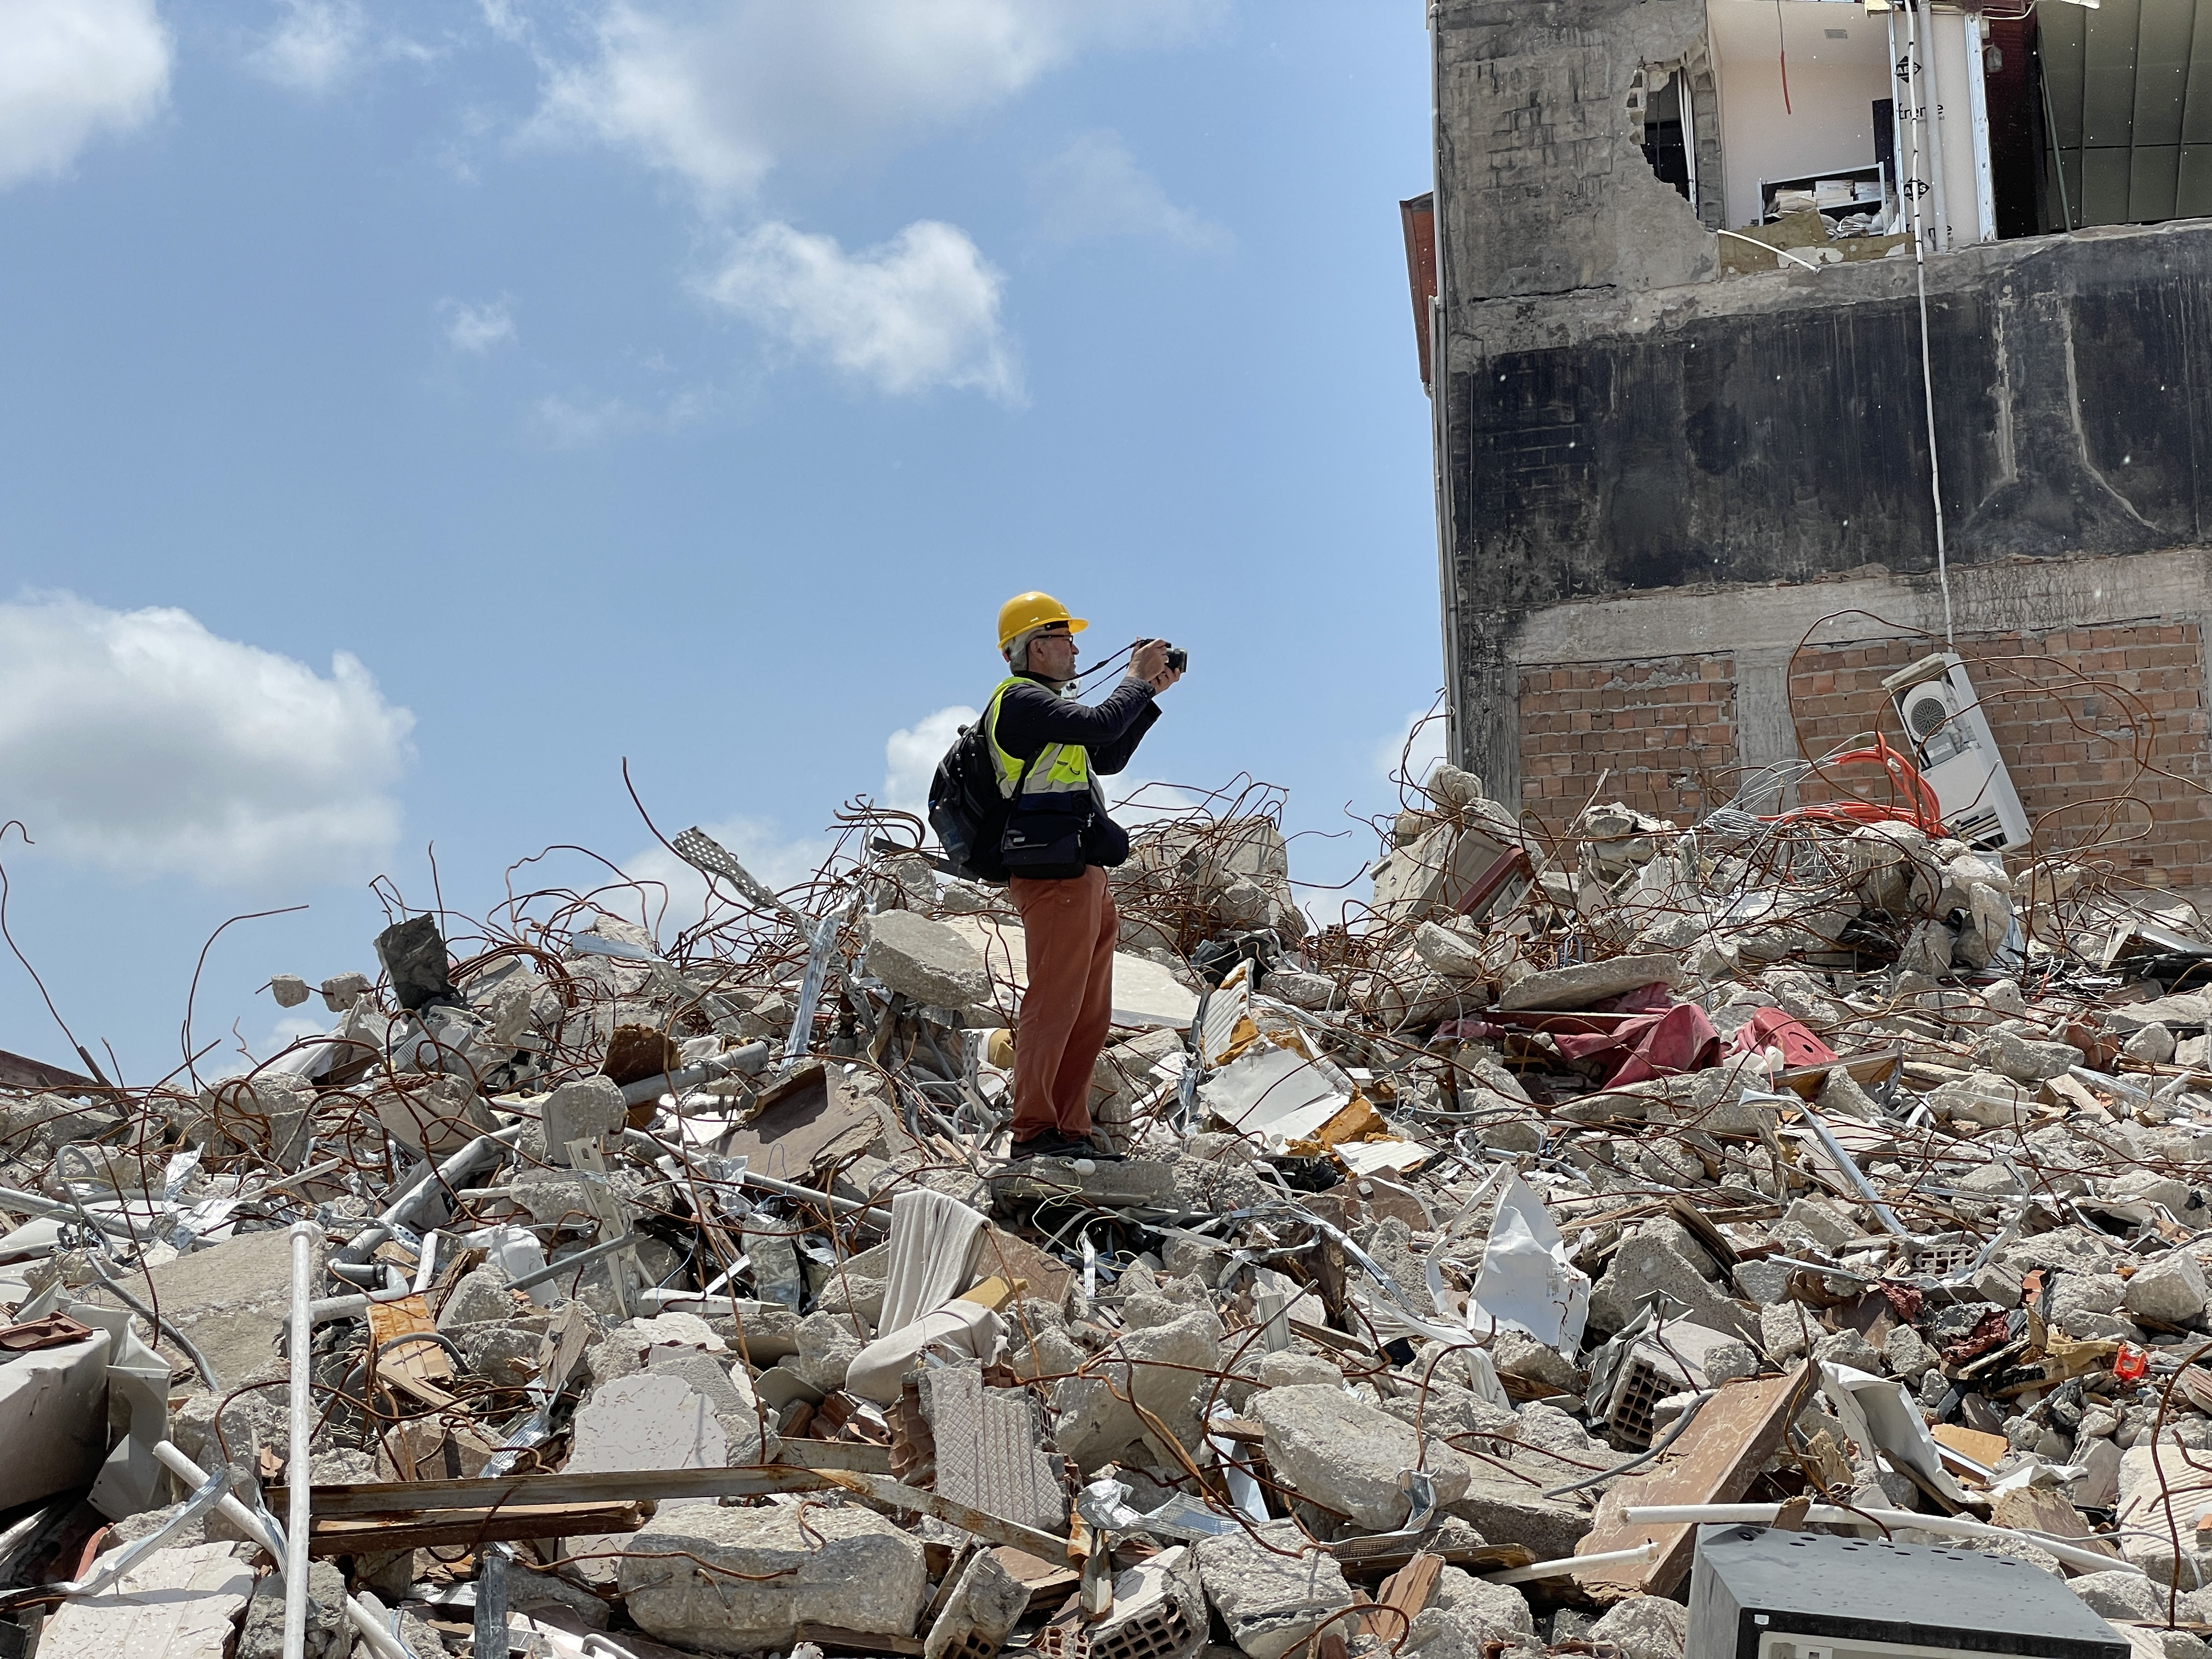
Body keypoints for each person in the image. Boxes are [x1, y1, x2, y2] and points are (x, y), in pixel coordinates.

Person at [984, 591, 1181, 1161]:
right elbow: (1099, 723)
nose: (1075, 648)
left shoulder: (1047, 709)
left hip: (1080, 873)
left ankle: (1070, 1130)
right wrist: (1135, 681)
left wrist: (1148, 697)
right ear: (1037, 646)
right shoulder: (1019, 701)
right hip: (1052, 878)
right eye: (1065, 638)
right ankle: (1034, 1131)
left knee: (1088, 1010)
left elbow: (1106, 755)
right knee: (1055, 1002)